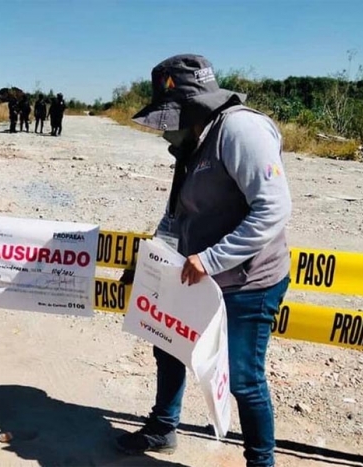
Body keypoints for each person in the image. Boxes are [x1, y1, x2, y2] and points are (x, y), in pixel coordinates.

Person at [115, 54, 292, 467]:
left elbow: (273, 208)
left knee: (244, 379)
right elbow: (177, 214)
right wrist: (150, 259)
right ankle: (162, 429)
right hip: (196, 276)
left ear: (192, 106)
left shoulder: (240, 130)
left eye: (170, 116)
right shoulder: (195, 141)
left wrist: (211, 259)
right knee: (169, 349)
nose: (165, 129)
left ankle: (260, 463)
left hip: (248, 282)